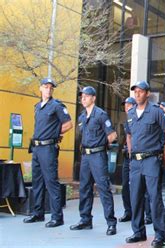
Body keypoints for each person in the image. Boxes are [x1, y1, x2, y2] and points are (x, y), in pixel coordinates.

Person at [125, 81, 165, 248]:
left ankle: (161, 235)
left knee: (154, 198)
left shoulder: (155, 112)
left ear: (147, 93)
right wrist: (131, 155)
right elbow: (129, 135)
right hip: (136, 161)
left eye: (140, 91)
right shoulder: (131, 113)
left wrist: (164, 153)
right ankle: (138, 232)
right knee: (136, 197)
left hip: (151, 159)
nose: (137, 94)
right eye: (135, 92)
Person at [23, 78, 73, 228]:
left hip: (48, 148)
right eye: (46, 87)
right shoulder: (38, 106)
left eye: (51, 88)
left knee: (51, 182)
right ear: (40, 88)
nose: (48, 90)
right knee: (37, 182)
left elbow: (68, 124)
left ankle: (57, 217)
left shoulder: (57, 106)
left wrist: (54, 133)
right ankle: (38, 213)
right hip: (37, 148)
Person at [70, 86, 117, 235]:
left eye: (86, 96)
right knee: (84, 188)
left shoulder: (101, 115)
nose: (83, 98)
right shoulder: (81, 117)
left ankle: (111, 222)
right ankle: (85, 220)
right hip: (85, 156)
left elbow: (112, 135)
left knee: (103, 188)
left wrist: (102, 146)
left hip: (97, 155)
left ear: (93, 98)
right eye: (81, 96)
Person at [118, 97, 136, 223]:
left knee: (139, 186)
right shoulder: (126, 122)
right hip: (127, 157)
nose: (127, 107)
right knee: (125, 186)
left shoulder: (138, 119)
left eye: (129, 105)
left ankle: (144, 213)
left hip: (138, 157)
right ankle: (128, 211)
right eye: (125, 105)